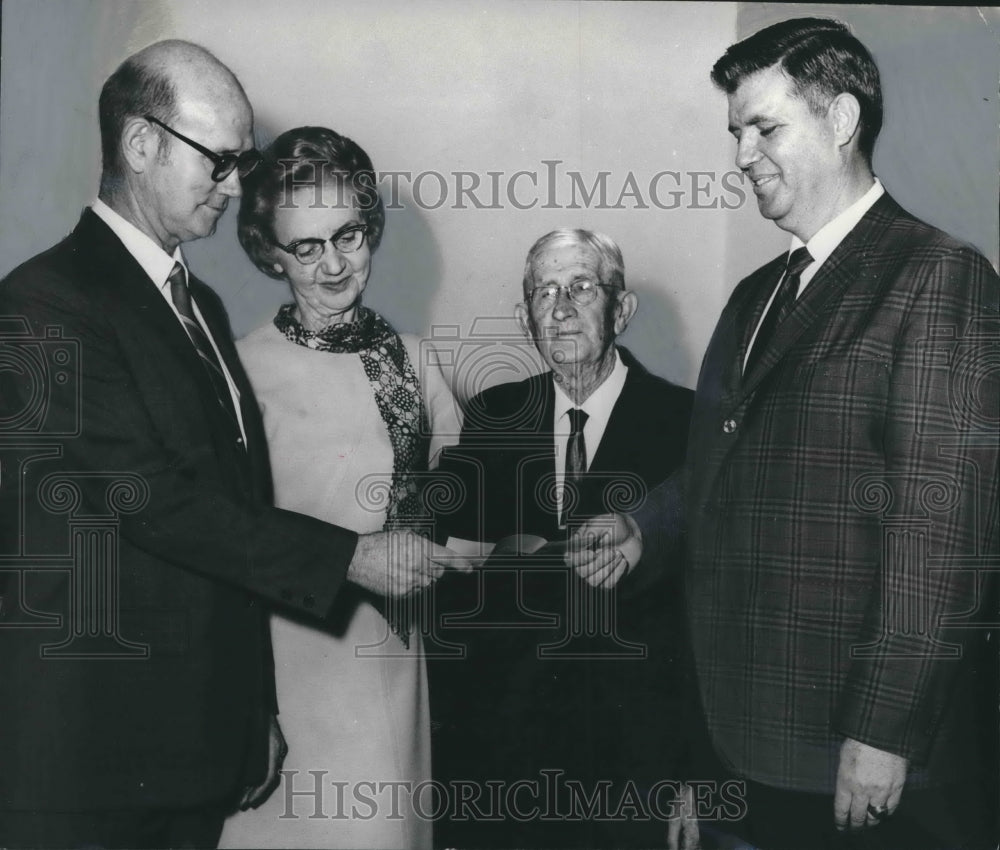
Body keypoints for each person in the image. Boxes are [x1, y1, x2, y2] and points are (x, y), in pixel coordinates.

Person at [0, 42, 465, 849]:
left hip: (199, 737)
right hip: (101, 753)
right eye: (220, 159)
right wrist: (350, 557)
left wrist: (253, 712)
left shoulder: (199, 306)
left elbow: (232, 513)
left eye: (241, 160)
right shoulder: (46, 301)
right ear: (141, 145)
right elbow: (149, 497)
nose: (235, 180)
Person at [568, 17, 999, 850]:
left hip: (856, 752)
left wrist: (884, 731)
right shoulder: (758, 294)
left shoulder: (939, 278)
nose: (740, 156)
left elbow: (942, 536)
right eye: (736, 132)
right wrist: (640, 525)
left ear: (842, 120)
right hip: (742, 732)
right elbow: (721, 469)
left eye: (766, 127)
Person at [217, 126, 461, 849]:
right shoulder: (239, 373)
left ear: (371, 227)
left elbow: (479, 504)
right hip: (283, 683)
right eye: (306, 246)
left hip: (391, 671)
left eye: (348, 235)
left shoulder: (415, 363)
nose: (332, 265)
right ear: (269, 253)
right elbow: (221, 540)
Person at [429, 229, 695, 848]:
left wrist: (693, 773)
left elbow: (705, 610)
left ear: (621, 310)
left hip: (637, 762)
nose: (561, 307)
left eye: (581, 287)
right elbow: (461, 590)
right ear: (525, 319)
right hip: (508, 760)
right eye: (543, 293)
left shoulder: (685, 423)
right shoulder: (492, 416)